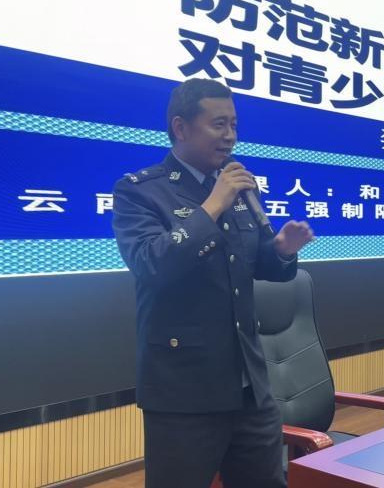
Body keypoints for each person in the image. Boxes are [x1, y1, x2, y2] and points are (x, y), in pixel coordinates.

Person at [112, 78, 314, 488]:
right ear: (181, 127)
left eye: (234, 125)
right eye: (218, 124)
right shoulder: (141, 192)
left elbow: (257, 266)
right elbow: (152, 265)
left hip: (250, 387)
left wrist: (281, 251)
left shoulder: (237, 188)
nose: (230, 136)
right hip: (184, 393)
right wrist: (213, 205)